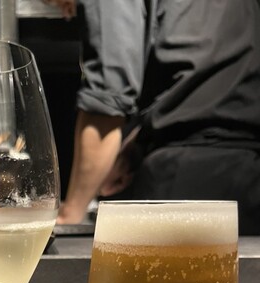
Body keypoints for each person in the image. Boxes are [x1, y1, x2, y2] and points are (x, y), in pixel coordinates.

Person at [53, 0, 260, 235]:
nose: (66, 14)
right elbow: (210, 73)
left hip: (183, 181)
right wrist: (138, 144)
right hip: (249, 174)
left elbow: (106, 103)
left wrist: (70, 214)